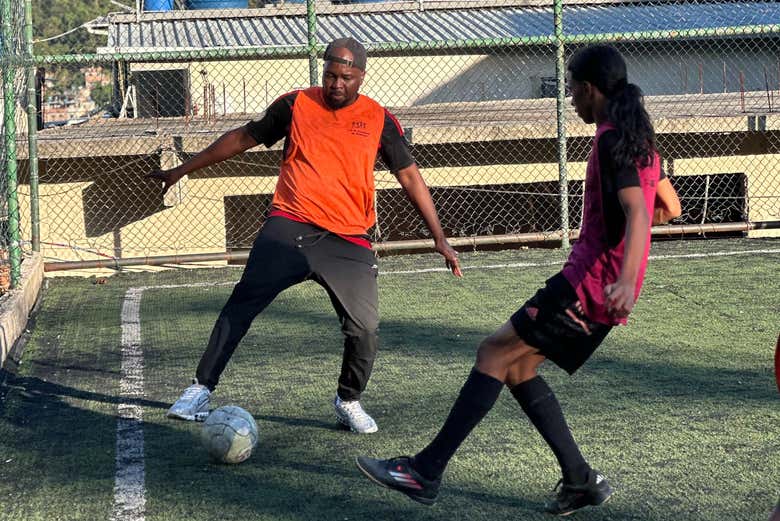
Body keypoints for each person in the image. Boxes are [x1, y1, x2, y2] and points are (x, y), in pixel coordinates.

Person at [355, 44, 681, 515]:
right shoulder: (638, 138)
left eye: (572, 88)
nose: (570, 98)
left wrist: (626, 277)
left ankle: (424, 472)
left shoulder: (613, 140)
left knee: (493, 353)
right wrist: (623, 256)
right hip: (599, 287)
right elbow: (667, 208)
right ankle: (580, 480)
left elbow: (637, 211)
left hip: (589, 288)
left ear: (590, 90)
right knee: (518, 367)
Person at [150, 37, 462, 434]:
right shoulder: (295, 105)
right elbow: (242, 138)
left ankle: (348, 400)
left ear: (361, 77)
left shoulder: (379, 118)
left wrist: (439, 237)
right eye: (330, 75)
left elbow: (409, 175)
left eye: (346, 78)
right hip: (290, 226)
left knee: (364, 329)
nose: (336, 84)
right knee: (242, 304)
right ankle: (200, 389)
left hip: (349, 238)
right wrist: (183, 169)